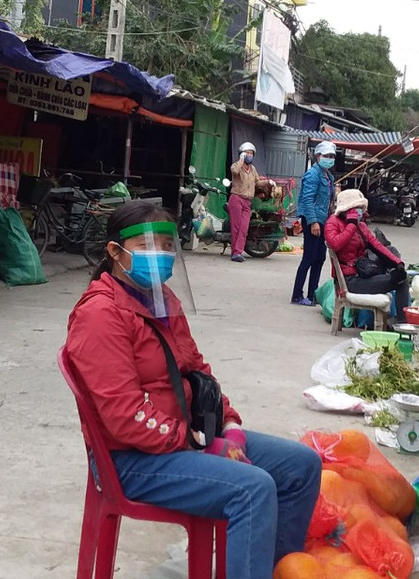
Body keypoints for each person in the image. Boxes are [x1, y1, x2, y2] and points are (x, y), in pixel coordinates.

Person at [63, 201, 321, 577]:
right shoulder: (100, 316)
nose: (162, 255)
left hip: (183, 434)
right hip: (132, 459)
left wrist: (228, 424)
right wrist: (199, 443)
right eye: (148, 246)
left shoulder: (162, 299)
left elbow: (197, 371)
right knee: (252, 489)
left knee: (302, 465)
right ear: (115, 253)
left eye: (168, 246)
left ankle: (276, 568)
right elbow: (123, 417)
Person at [325, 189, 410, 318]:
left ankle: (401, 322)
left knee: (401, 278)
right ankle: (403, 325)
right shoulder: (333, 222)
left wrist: (398, 264)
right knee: (401, 283)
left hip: (364, 274)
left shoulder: (361, 226)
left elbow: (378, 246)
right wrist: (351, 226)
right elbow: (335, 244)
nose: (359, 211)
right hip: (349, 281)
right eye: (356, 207)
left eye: (360, 208)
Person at [292, 141, 337, 306]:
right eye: (326, 156)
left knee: (319, 258)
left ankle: (313, 294)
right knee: (309, 257)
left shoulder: (328, 176)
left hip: (323, 219)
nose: (329, 159)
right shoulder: (313, 174)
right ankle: (297, 295)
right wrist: (313, 222)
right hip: (313, 220)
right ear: (318, 156)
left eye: (332, 156)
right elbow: (307, 199)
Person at [227, 141, 272, 263]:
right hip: (236, 198)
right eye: (247, 153)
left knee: (244, 228)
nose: (249, 155)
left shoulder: (252, 169)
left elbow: (257, 182)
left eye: (251, 153)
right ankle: (235, 253)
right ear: (241, 154)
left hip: (247, 201)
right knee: (236, 227)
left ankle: (238, 251)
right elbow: (235, 172)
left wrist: (268, 182)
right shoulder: (237, 166)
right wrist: (241, 160)